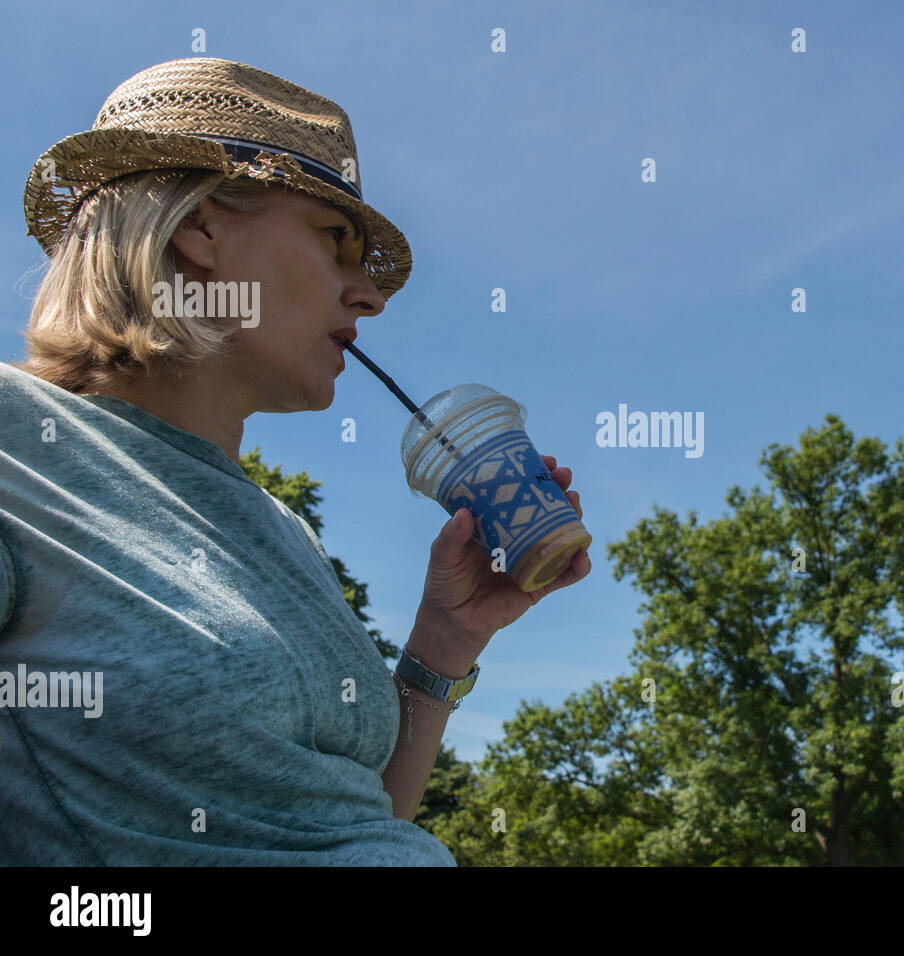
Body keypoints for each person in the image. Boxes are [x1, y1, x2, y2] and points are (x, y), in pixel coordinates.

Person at [0, 57, 589, 865]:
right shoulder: (16, 442)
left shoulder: (279, 527)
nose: (370, 297)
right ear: (199, 230)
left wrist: (445, 639)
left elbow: (348, 815)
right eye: (335, 242)